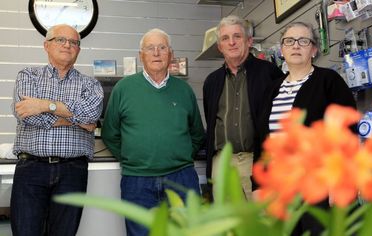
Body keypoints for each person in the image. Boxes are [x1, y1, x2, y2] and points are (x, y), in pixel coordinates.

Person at [256, 22, 357, 235]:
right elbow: (262, 141)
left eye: (303, 41)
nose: (296, 46)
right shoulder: (272, 89)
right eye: (289, 41)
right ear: (282, 49)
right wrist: (259, 184)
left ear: (313, 49)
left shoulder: (328, 81)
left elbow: (347, 132)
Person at [101, 28, 205, 236]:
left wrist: (178, 157)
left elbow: (197, 133)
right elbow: (110, 133)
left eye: (162, 47)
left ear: (171, 54)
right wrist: (134, 158)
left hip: (181, 178)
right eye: (150, 48)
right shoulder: (123, 88)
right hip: (137, 181)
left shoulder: (184, 90)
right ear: (141, 56)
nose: (156, 53)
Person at [11, 24, 103, 236]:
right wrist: (75, 120)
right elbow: (26, 113)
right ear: (46, 45)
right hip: (31, 169)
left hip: (73, 171)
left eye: (73, 42)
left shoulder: (90, 85)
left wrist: (45, 105)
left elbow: (91, 115)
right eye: (61, 40)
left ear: (78, 50)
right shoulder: (28, 76)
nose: (68, 45)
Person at [203, 15, 284, 201]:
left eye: (237, 36)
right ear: (219, 46)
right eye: (225, 38)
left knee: (262, 224)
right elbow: (211, 120)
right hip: (221, 163)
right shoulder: (211, 82)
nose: (231, 42)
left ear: (249, 41)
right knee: (227, 224)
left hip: (257, 161)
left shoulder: (269, 73)